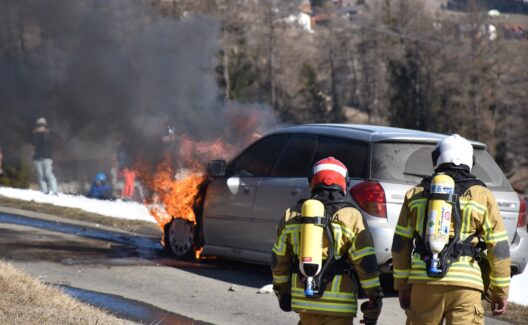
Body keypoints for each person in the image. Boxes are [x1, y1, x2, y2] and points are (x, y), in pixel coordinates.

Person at [392, 134, 510, 325]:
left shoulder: (415, 194)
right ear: (469, 160)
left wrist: (402, 286)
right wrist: (500, 291)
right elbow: (499, 248)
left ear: (437, 159)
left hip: (424, 283)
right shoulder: (482, 196)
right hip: (466, 285)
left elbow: (400, 245)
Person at [271, 157, 383, 325]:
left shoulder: (292, 214)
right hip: (339, 305)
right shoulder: (351, 216)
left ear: (312, 182)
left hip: (304, 302)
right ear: (344, 183)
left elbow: (279, 260)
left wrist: (283, 293)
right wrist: (374, 299)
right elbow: (366, 262)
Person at [31, 117, 58, 195]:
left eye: (42, 125)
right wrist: (34, 134)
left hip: (47, 157)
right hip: (37, 157)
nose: (40, 127)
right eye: (39, 125)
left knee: (48, 173)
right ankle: (44, 191)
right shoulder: (35, 134)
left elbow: (53, 141)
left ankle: (54, 191)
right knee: (41, 175)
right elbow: (33, 142)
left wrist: (46, 134)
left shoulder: (50, 133)